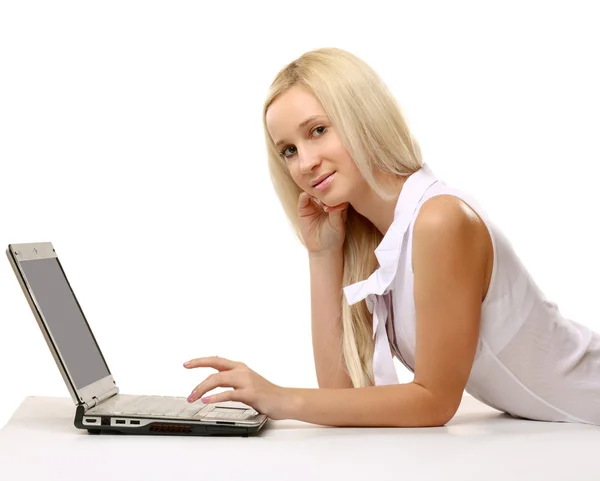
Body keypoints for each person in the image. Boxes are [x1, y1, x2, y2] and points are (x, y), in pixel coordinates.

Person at [183, 47, 600, 427]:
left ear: (361, 116)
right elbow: (339, 395)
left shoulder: (440, 221)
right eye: (288, 150)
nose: (305, 163)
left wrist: (279, 397)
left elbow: (434, 402)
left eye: (317, 130)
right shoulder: (380, 239)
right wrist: (323, 254)